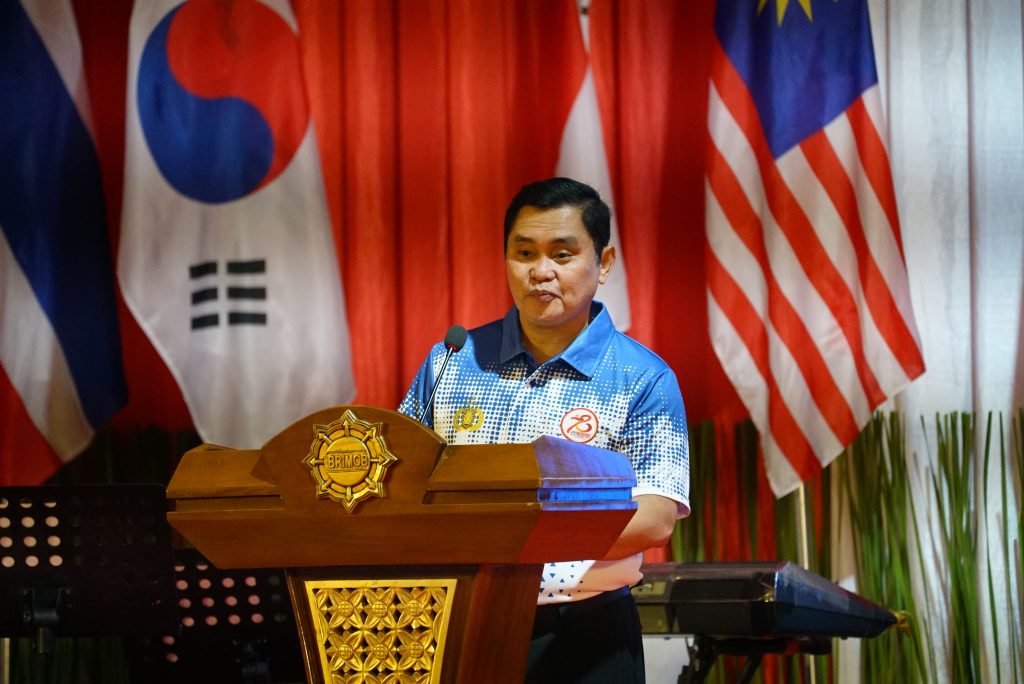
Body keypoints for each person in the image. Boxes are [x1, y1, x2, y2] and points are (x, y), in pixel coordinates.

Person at [398, 177, 690, 683]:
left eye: (562, 253)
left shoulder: (641, 377)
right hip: (455, 622)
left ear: (603, 264)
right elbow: (399, 481)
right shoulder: (452, 361)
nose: (540, 272)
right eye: (524, 252)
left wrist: (517, 544)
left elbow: (655, 515)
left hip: (583, 633)